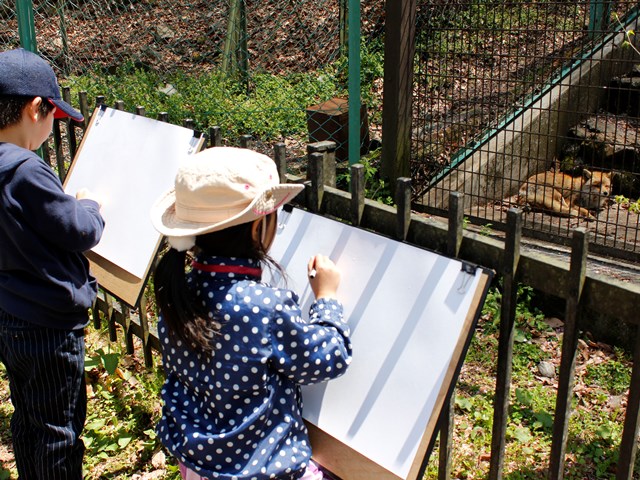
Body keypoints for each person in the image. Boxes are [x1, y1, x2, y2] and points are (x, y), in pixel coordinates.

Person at [150, 146, 352, 480]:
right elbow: (328, 357)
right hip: (260, 470)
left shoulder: (178, 292)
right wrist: (327, 298)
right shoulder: (264, 309)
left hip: (196, 465)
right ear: (259, 227)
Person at [0, 48, 105, 478]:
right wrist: (90, 205)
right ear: (34, 107)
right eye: (52, 118)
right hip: (48, 327)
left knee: (28, 418)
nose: (50, 129)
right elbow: (80, 230)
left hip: (11, 314)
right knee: (58, 431)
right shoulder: (25, 169)